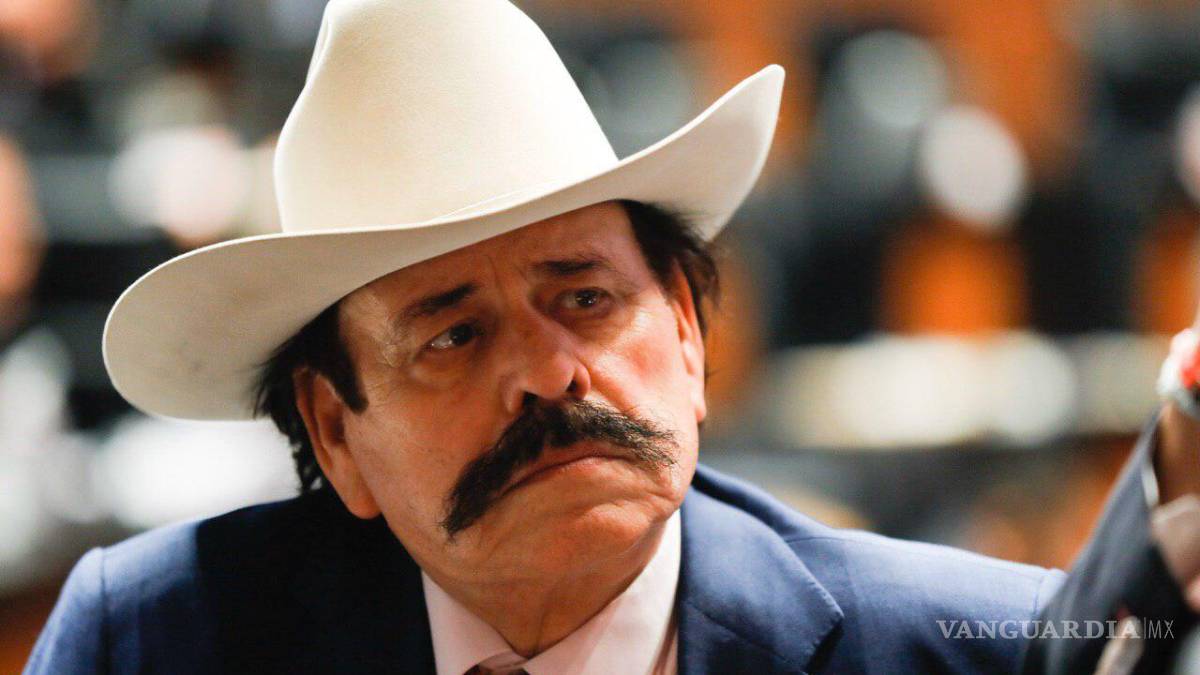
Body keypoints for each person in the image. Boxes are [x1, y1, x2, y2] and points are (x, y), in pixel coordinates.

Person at [23, 1, 1200, 673]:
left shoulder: (984, 649)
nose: (548, 373)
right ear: (335, 433)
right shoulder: (155, 642)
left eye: (586, 299)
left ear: (687, 333)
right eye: (452, 336)